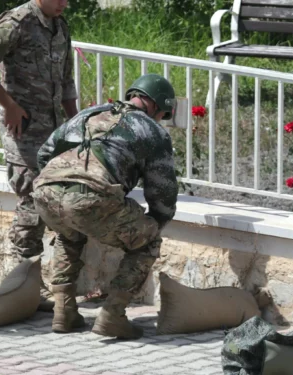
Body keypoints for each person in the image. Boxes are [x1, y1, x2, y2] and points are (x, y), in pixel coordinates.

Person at [32, 74, 180, 339]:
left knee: (69, 233)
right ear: (156, 106)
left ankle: (63, 310)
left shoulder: (90, 113)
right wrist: (157, 219)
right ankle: (113, 314)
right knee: (147, 239)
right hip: (90, 197)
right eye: (163, 114)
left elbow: (44, 153)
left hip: (44, 191)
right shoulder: (152, 130)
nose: (161, 120)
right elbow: (163, 189)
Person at [0, 0, 78, 311]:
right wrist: (10, 105)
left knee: (55, 204)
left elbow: (66, 79)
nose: (64, 4)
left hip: (55, 132)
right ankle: (21, 285)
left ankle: (42, 284)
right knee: (30, 208)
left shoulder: (60, 24)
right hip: (25, 133)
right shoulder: (17, 21)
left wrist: (75, 124)